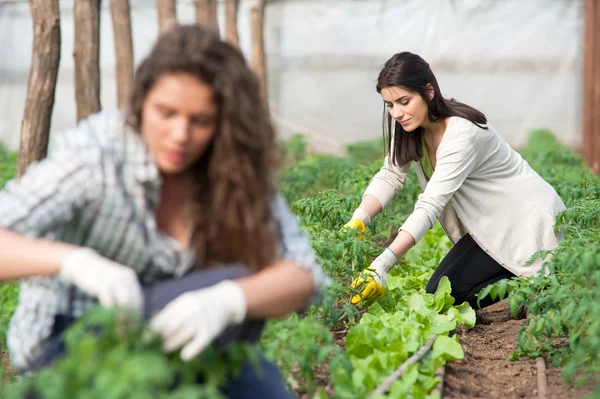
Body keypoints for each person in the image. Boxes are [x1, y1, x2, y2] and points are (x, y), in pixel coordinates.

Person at [0, 24, 327, 397]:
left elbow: (302, 274)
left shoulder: (233, 170)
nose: (179, 135)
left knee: (254, 342)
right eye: (165, 112)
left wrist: (226, 302)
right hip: (71, 345)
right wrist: (74, 262)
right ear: (141, 102)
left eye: (200, 121)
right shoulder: (98, 154)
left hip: (178, 338)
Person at [345, 52, 565, 309]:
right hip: (493, 222)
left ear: (429, 91)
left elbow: (430, 205)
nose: (397, 113)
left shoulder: (461, 134)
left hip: (526, 222)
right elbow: (391, 175)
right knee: (441, 290)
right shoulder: (412, 128)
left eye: (404, 101)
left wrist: (382, 264)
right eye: (390, 105)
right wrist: (359, 218)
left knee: (451, 294)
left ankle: (539, 282)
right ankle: (531, 277)